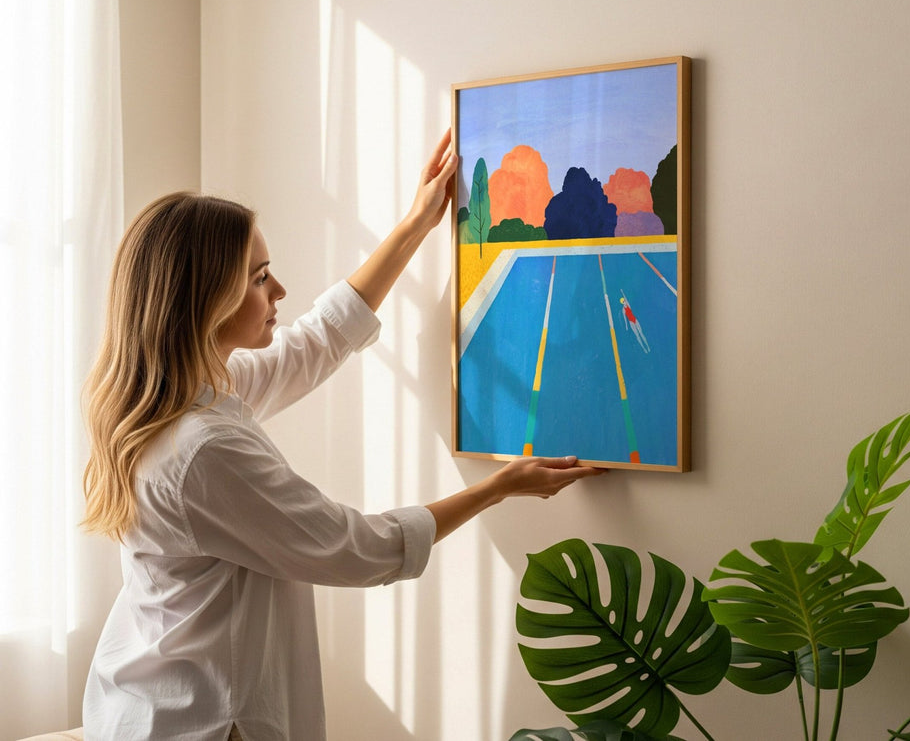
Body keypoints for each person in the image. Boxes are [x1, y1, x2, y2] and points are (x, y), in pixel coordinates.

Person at [79, 130, 604, 741]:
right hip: (206, 721)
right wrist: (497, 488)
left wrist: (416, 224)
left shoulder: (176, 397)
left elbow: (315, 342)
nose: (278, 290)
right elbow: (356, 548)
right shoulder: (202, 449)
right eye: (259, 278)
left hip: (147, 704)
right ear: (206, 299)